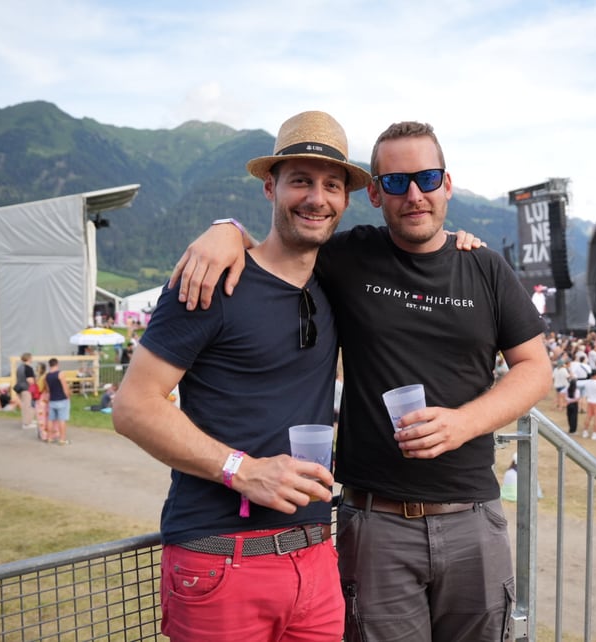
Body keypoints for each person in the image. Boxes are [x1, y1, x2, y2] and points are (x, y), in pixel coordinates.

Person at [165, 119, 552, 642]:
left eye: (427, 179)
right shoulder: (346, 256)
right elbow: (286, 242)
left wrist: (464, 423)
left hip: (471, 517)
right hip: (376, 521)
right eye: (395, 182)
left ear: (448, 183)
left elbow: (535, 368)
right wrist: (227, 228)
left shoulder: (484, 266)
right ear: (373, 193)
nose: (414, 194)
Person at [112, 111, 370, 641]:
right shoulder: (210, 280)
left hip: (317, 558)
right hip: (219, 560)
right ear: (270, 187)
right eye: (300, 180)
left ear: (345, 200)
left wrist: (463, 244)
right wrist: (241, 469)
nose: (316, 197)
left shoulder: (332, 284)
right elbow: (134, 406)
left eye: (331, 185)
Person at [44, 358, 71, 444]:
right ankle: (62, 439)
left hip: (52, 400)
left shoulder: (47, 376)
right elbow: (65, 387)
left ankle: (49, 438)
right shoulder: (60, 374)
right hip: (61, 399)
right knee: (62, 420)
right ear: (57, 364)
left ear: (49, 365)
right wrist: (68, 396)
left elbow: (48, 389)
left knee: (50, 420)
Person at [13, 352, 37, 430]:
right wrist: (35, 382)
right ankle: (26, 424)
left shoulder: (19, 367)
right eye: (31, 358)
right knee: (27, 406)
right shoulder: (28, 368)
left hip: (20, 388)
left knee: (26, 405)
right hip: (26, 389)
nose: (32, 359)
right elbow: (30, 380)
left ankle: (29, 420)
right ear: (29, 358)